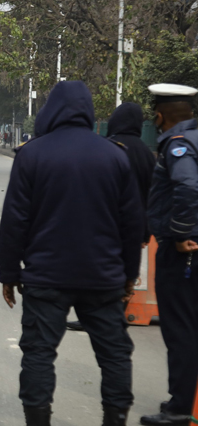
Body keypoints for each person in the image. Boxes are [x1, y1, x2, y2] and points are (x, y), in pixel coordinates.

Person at [0, 81, 144, 426]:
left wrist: (9, 274)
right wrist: (130, 274)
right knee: (114, 355)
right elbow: (132, 224)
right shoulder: (115, 156)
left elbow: (15, 220)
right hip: (104, 277)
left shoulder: (32, 156)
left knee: (39, 353)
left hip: (46, 277)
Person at [138, 83, 198, 426]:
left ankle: (180, 407)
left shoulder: (177, 146)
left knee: (180, 329)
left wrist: (181, 233)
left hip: (184, 254)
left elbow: (188, 187)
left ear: (160, 117)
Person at [67, 102, 156, 332]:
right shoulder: (147, 154)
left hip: (106, 225)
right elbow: (151, 194)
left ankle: (94, 317)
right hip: (137, 226)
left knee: (100, 273)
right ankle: (115, 315)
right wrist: (146, 229)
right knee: (130, 273)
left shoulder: (108, 148)